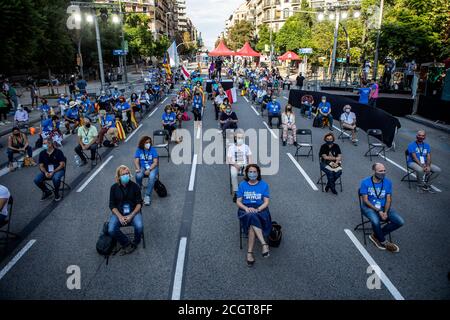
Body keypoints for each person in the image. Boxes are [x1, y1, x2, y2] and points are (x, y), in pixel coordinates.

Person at [360, 163, 404, 252]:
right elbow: (365, 200)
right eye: (380, 171)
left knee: (400, 222)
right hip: (368, 207)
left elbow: (388, 199)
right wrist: (379, 211)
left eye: (384, 171)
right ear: (374, 171)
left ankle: (376, 235)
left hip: (384, 207)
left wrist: (385, 212)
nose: (383, 173)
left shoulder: (388, 182)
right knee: (375, 221)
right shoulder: (365, 182)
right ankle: (383, 241)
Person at [236, 164, 271, 267]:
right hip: (245, 210)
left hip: (261, 210)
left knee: (252, 220)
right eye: (250, 172)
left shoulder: (264, 185)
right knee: (251, 216)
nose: (252, 174)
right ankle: (264, 244)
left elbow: (266, 202)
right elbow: (238, 202)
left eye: (254, 172)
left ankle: (249, 253)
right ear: (247, 173)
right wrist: (246, 208)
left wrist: (258, 209)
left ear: (258, 173)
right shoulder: (242, 185)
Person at [108, 165, 143, 255]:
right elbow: (111, 205)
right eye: (123, 174)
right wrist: (120, 217)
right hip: (119, 214)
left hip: (133, 213)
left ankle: (135, 242)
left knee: (139, 226)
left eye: (127, 173)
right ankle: (126, 242)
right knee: (111, 229)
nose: (126, 176)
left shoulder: (135, 186)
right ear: (119, 177)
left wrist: (131, 215)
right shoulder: (113, 188)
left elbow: (139, 204)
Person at [227, 130, 253, 202]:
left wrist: (248, 167)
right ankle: (236, 192)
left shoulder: (246, 147)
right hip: (234, 165)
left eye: (241, 138)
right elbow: (229, 160)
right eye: (238, 137)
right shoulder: (231, 147)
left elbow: (250, 158)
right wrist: (235, 165)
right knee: (233, 174)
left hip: (244, 165)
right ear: (235, 138)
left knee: (249, 174)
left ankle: (246, 191)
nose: (240, 139)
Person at [134, 136, 159, 206]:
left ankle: (147, 196)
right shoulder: (139, 150)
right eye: (146, 142)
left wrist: (149, 169)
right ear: (143, 143)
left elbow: (155, 162)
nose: (148, 144)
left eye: (149, 142)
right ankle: (139, 187)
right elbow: (136, 161)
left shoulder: (153, 150)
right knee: (138, 175)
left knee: (152, 176)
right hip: (142, 167)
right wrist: (138, 168)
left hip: (152, 167)